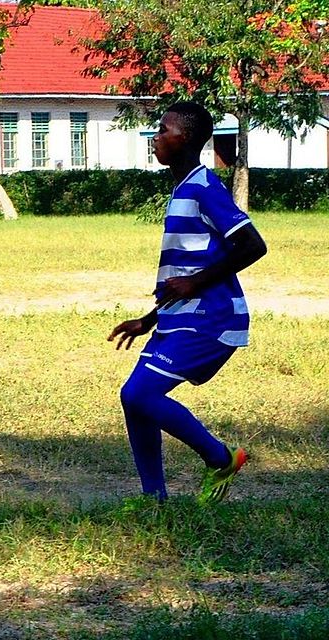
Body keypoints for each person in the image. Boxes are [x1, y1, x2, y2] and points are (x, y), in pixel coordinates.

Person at [108, 101, 267, 504]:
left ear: (187, 139)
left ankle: (221, 457)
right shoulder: (182, 190)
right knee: (136, 401)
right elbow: (185, 270)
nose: (155, 137)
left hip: (212, 318)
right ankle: (153, 500)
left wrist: (195, 282)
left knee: (138, 395)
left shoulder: (204, 187)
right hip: (178, 318)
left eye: (163, 130)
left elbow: (252, 245)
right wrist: (148, 319)